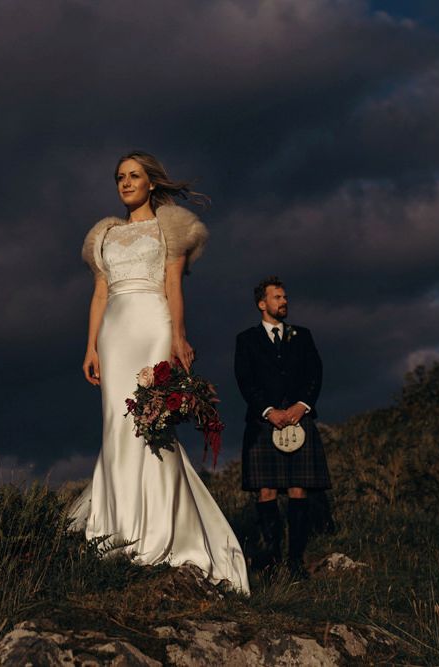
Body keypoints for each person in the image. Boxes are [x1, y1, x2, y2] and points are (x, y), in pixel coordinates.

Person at [69, 151, 249, 595]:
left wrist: (178, 337)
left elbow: (173, 287)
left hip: (152, 326)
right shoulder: (104, 235)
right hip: (114, 334)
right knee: (117, 427)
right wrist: (91, 346)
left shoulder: (171, 228)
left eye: (133, 176)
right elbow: (99, 295)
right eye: (119, 177)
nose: (125, 183)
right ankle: (116, 534)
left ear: (151, 182)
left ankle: (166, 533)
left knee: (151, 425)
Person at [234, 277, 331, 578]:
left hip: (299, 418)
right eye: (277, 297)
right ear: (262, 304)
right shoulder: (246, 339)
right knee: (266, 491)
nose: (284, 301)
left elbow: (315, 372)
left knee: (298, 488)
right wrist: (268, 411)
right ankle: (273, 560)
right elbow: (245, 380)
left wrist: (302, 406)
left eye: (285, 297)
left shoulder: (303, 335)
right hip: (263, 422)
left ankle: (296, 561)